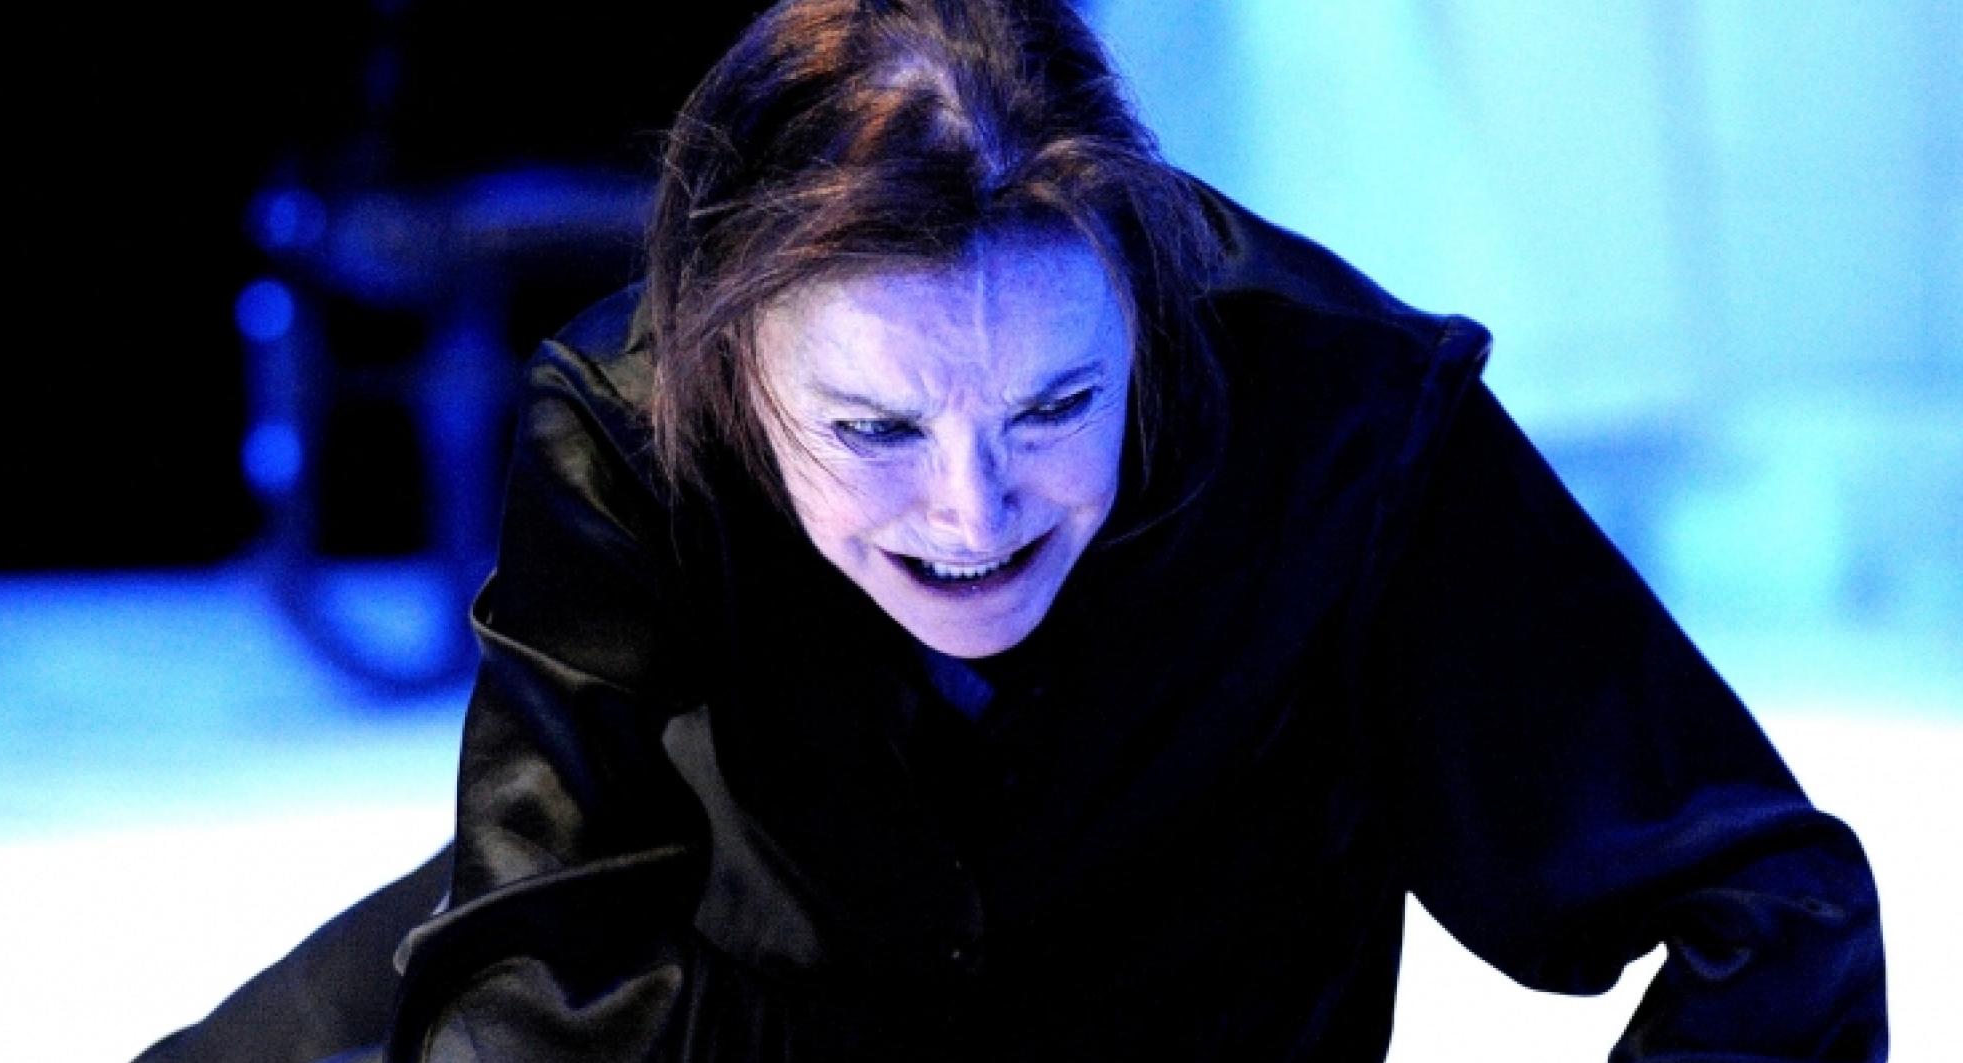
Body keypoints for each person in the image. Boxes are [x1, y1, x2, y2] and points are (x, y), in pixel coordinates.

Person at [139, 1, 1888, 1060]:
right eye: (875, 431)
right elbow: (538, 964)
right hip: (715, 1008)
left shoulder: (1343, 420)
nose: (972, 516)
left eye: (1056, 409)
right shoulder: (628, 413)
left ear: (1141, 303)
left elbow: (1771, 905)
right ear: (731, 372)